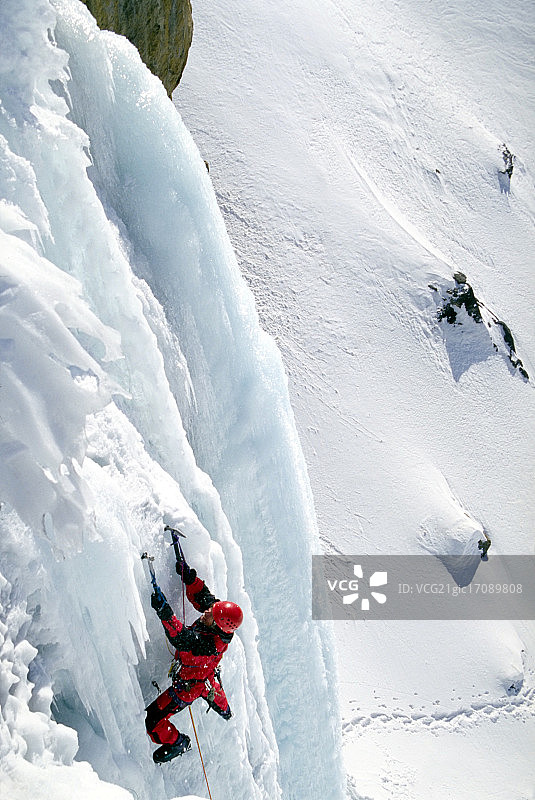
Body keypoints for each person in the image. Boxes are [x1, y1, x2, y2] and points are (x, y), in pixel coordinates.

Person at [145, 556, 243, 764]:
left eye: (211, 615)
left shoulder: (206, 647)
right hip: (202, 675)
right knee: (212, 691)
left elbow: (181, 638)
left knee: (153, 721)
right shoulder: (218, 618)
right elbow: (204, 598)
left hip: (188, 687)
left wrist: (164, 612)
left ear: (217, 626)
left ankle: (177, 742)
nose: (207, 612)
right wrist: (189, 578)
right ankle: (223, 709)